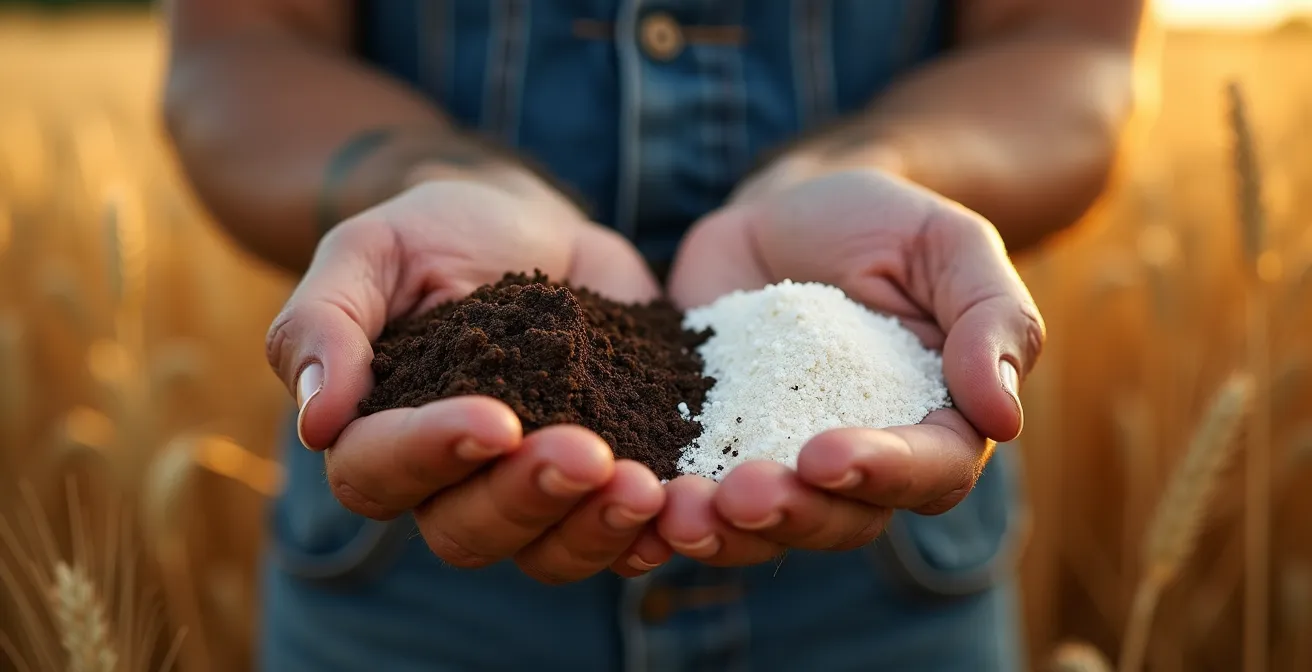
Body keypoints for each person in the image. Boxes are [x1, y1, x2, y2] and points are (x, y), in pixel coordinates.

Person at [162, 1, 1143, 669]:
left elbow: (1066, 43)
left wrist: (867, 164)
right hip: (407, 589)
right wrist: (423, 177)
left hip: (883, 601)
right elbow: (238, 47)